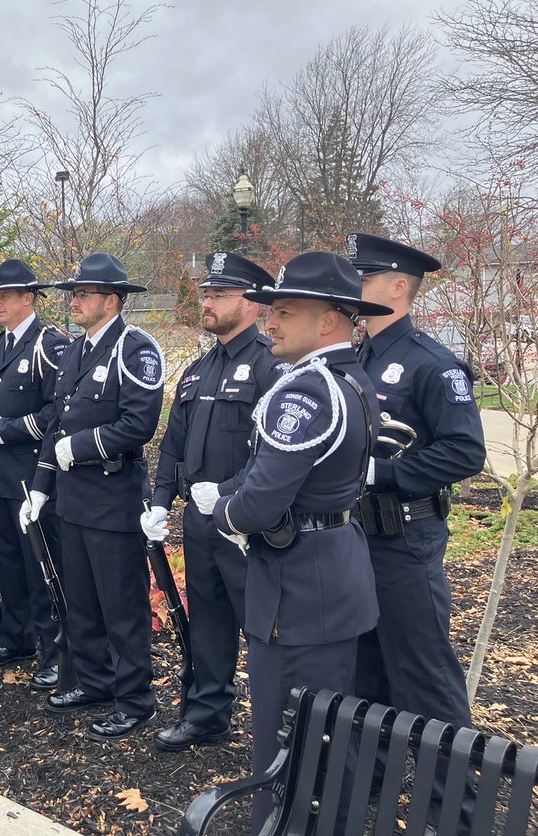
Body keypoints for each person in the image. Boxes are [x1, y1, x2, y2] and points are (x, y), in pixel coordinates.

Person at [208, 252, 389, 829]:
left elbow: (262, 502)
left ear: (330, 320)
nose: (271, 323)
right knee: (333, 737)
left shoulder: (304, 392)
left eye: (286, 311)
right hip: (332, 577)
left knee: (285, 746)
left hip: (296, 593)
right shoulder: (352, 379)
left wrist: (222, 513)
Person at [350, 233, 486, 822]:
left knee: (423, 679)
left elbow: (464, 452)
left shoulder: (432, 362)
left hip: (405, 542)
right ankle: (370, 783)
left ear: (398, 286)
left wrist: (382, 471)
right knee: (365, 672)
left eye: (365, 276)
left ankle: (452, 810)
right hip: (356, 540)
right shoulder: (357, 356)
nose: (354, 286)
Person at [20, 253, 167, 742]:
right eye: (73, 294)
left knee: (121, 605)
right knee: (82, 599)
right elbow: (56, 426)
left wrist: (78, 447)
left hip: (113, 496)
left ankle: (135, 699)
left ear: (112, 300)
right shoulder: (73, 353)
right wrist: (41, 488)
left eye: (82, 294)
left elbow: (138, 425)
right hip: (73, 499)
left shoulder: (135, 349)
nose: (74, 302)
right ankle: (96, 681)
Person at [143, 252, 286, 752]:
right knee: (208, 623)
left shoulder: (272, 367)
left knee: (265, 633)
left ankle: (277, 730)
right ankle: (207, 716)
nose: (205, 302)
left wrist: (230, 494)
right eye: (205, 293)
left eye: (218, 294)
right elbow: (173, 446)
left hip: (248, 526)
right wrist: (160, 501)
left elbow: (276, 453)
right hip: (199, 523)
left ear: (251, 302)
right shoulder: (197, 370)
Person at [0, 259, 68, 689]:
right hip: (0, 476)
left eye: (5, 296)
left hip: (33, 474)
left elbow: (57, 411)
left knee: (41, 566)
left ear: (28, 298)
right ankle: (16, 638)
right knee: (8, 564)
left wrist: (12, 430)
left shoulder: (49, 344)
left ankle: (55, 650)